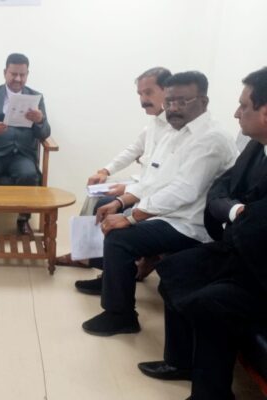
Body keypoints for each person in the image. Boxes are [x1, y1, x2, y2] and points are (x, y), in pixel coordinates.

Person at [138, 67, 267, 400]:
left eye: (244, 106)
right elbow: (221, 188)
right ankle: (179, 362)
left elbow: (254, 220)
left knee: (212, 303)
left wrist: (232, 211)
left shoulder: (215, 138)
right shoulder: (256, 146)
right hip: (240, 249)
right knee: (174, 272)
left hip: (259, 270)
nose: (236, 113)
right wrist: (234, 211)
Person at [78, 71, 238, 336]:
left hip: (193, 225)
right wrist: (120, 201)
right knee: (109, 213)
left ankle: (121, 315)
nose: (173, 108)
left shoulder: (211, 139)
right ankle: (111, 285)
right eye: (170, 101)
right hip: (171, 215)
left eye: (182, 101)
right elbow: (154, 178)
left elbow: (183, 191)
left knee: (120, 238)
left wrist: (131, 217)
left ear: (203, 101)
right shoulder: (175, 132)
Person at [57, 67, 172, 271]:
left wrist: (127, 190)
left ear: (167, 90)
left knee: (103, 200)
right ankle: (84, 253)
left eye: (148, 92)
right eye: (140, 94)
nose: (143, 100)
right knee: (94, 190)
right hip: (142, 185)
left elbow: (163, 177)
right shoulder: (154, 123)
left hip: (156, 194)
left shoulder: (176, 128)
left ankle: (92, 257)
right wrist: (105, 171)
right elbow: (133, 150)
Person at [0, 53, 51, 236]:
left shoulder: (36, 97)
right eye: (14, 74)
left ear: (27, 74)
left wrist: (40, 120)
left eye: (22, 75)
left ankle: (23, 219)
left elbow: (45, 133)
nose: (18, 79)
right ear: (5, 72)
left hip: (21, 154)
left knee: (28, 174)